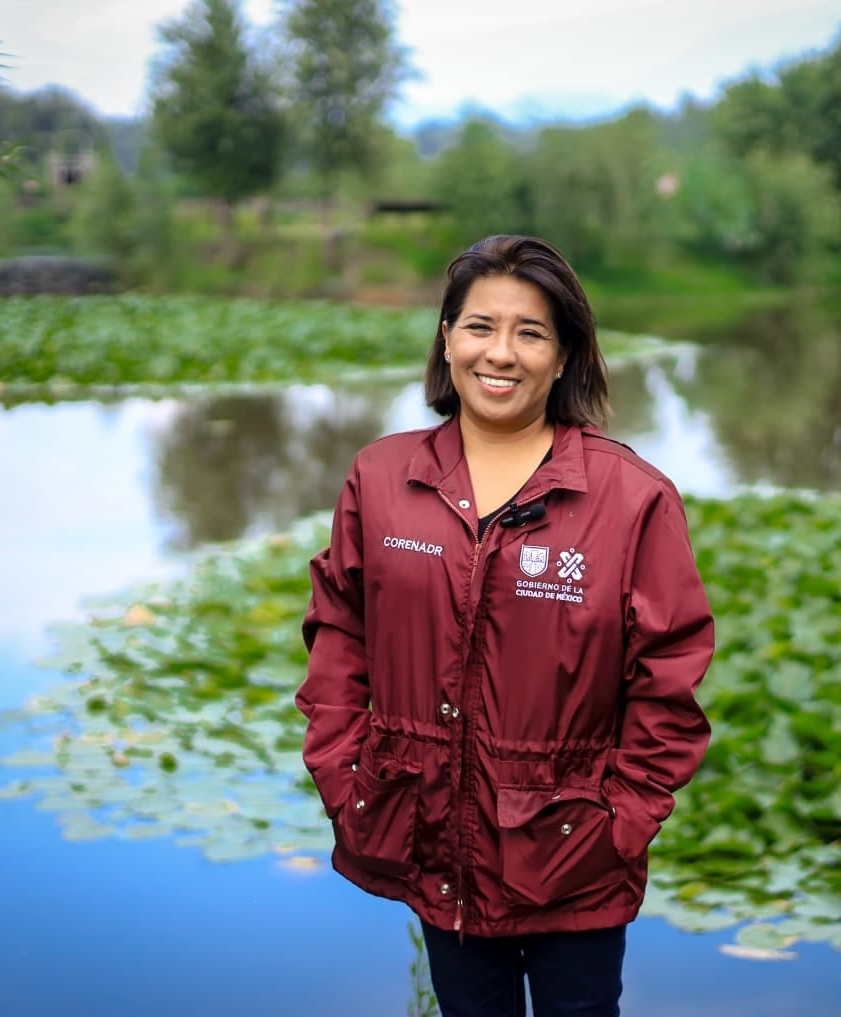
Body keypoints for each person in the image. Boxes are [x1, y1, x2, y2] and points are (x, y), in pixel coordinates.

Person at [296, 234, 714, 1017]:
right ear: (446, 338)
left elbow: (669, 680)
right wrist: (345, 774)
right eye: (480, 326)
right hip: (433, 837)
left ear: (564, 357)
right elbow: (340, 636)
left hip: (576, 860)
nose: (501, 352)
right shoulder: (382, 479)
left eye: (531, 332)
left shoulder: (631, 498)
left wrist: (618, 823)